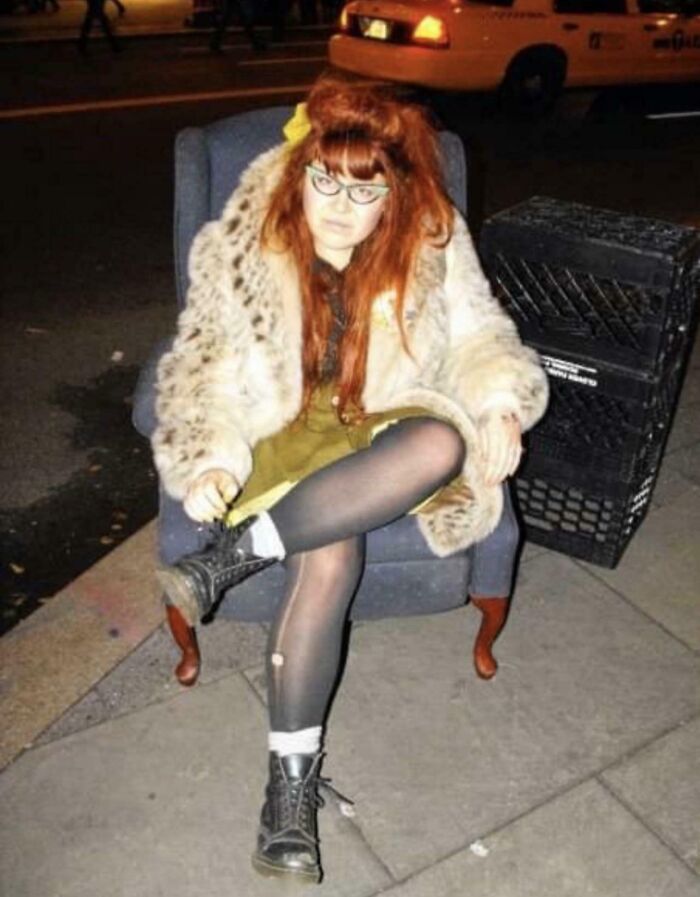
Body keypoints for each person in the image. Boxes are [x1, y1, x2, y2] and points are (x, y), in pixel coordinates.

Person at [150, 76, 548, 884]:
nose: (337, 204)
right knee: (329, 556)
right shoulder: (244, 243)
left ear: (392, 192)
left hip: (386, 419)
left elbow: (479, 336)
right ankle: (287, 794)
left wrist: (501, 403)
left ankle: (227, 558)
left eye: (362, 190)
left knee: (443, 441)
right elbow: (201, 369)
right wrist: (211, 455)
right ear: (301, 174)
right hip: (281, 426)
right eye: (323, 181)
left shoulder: (431, 237)